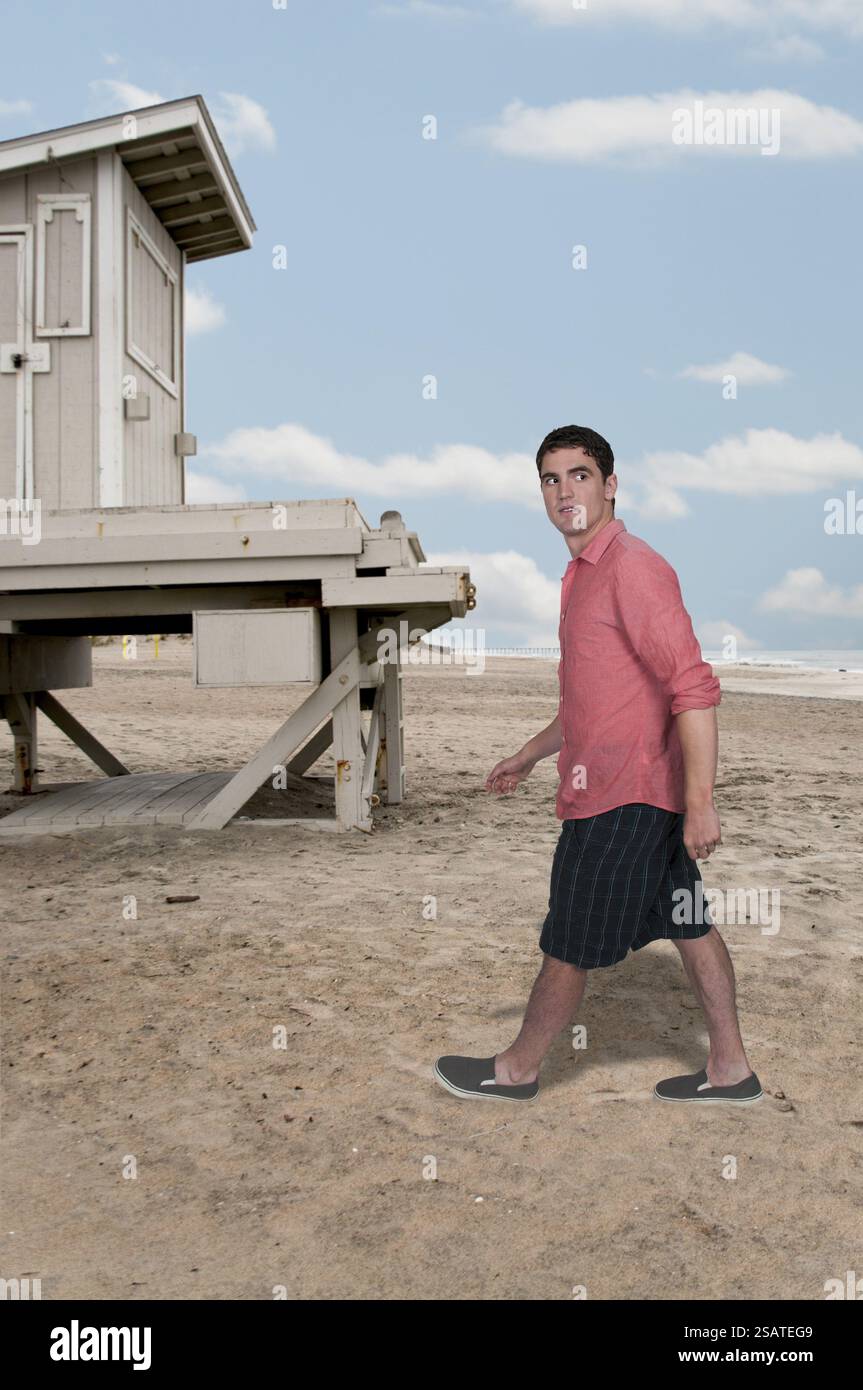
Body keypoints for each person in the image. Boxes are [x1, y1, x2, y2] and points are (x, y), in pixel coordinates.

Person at [434, 424, 761, 1106]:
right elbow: (591, 703)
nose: (564, 491)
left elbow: (692, 688)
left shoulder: (632, 568)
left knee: (568, 939)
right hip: (624, 792)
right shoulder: (582, 576)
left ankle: (516, 1070)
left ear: (609, 486)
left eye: (579, 475)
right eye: (550, 479)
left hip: (626, 800)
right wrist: (528, 755)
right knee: (689, 922)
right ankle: (730, 1069)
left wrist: (700, 803)